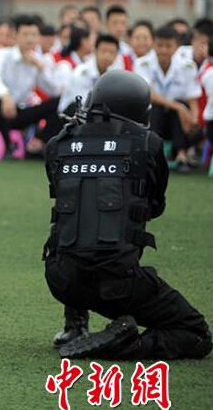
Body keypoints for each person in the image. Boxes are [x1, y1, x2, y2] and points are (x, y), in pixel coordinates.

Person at [43, 70, 212, 360]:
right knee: (196, 333)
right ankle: (124, 345)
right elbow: (155, 207)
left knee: (81, 220)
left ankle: (75, 326)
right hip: (118, 285)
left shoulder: (58, 143)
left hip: (61, 280)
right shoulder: (149, 144)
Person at [0, 15, 63, 146]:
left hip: (18, 112)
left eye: (34, 35)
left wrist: (41, 68)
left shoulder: (37, 60)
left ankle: (39, 142)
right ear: (16, 35)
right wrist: (5, 96)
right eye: (25, 34)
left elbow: (53, 91)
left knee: (60, 102)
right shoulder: (3, 54)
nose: (30, 39)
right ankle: (9, 147)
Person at [135, 26, 200, 172]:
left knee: (182, 107)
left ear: (177, 47)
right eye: (160, 45)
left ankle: (181, 156)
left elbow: (192, 101)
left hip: (178, 123)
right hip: (153, 119)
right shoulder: (142, 63)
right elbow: (148, 94)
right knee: (156, 106)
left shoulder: (188, 66)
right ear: (153, 44)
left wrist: (193, 122)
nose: (163, 50)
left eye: (168, 46)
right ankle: (153, 156)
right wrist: (178, 107)